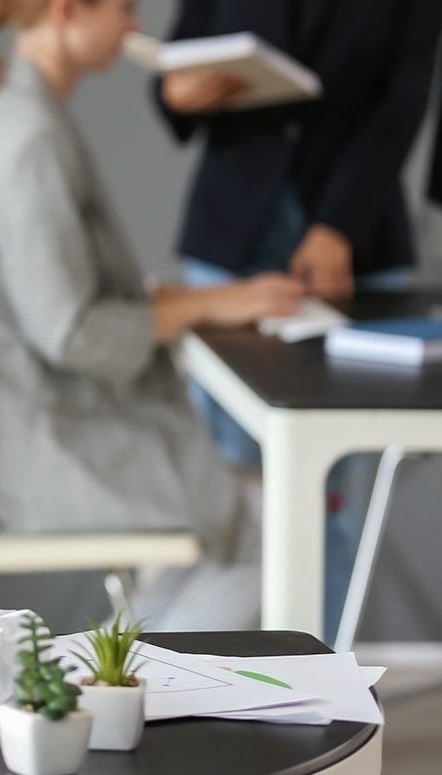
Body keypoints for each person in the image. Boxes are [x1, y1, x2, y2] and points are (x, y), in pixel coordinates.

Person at [0, 0, 304, 628]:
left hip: (18, 433)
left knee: (240, 510)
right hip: (25, 456)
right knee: (275, 520)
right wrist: (209, 303)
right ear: (69, 11)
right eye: (125, 9)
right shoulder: (28, 136)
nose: (134, 28)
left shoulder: (27, 116)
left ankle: (119, 681)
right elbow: (71, 330)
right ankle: (130, 689)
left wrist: (200, 303)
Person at [156, 0, 442, 640]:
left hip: (353, 240)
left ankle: (321, 687)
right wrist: (180, 94)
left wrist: (339, 223)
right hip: (231, 235)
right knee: (225, 483)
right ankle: (209, 679)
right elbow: (173, 67)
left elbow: (402, 105)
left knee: (328, 489)